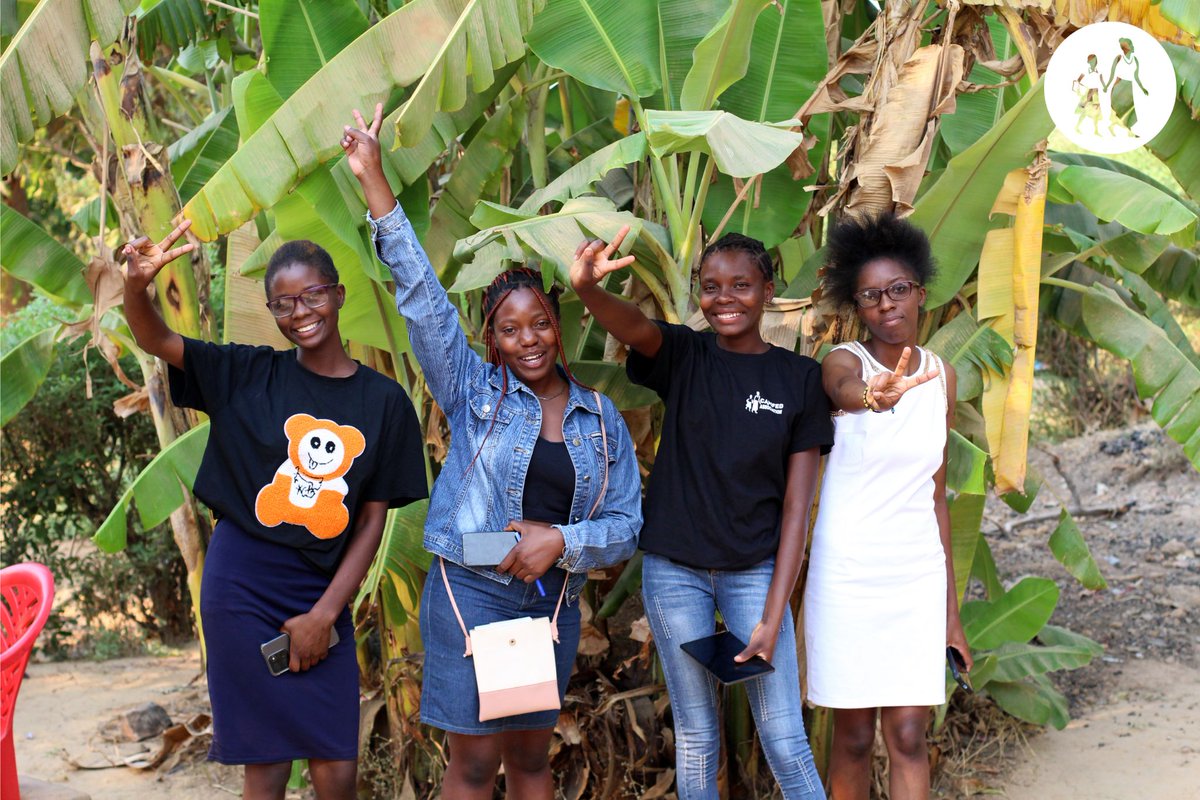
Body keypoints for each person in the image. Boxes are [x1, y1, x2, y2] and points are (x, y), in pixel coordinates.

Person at [341, 105, 642, 800]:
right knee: (474, 766)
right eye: (511, 330)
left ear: (557, 327)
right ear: (493, 340)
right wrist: (374, 179)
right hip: (470, 589)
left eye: (540, 322)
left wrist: (559, 540)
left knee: (534, 763)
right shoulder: (474, 392)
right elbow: (420, 295)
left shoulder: (601, 419)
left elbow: (627, 526)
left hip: (551, 598)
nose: (530, 338)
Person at [122, 225, 428, 800]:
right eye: (283, 303)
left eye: (313, 295)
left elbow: (371, 521)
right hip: (241, 588)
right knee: (264, 766)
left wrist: (324, 615)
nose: (300, 313)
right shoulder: (246, 373)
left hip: (322, 590)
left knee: (336, 766)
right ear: (271, 311)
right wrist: (135, 286)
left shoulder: (383, 402)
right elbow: (156, 337)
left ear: (338, 295)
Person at [570, 228, 831, 799]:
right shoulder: (685, 355)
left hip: (756, 574)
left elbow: (796, 509)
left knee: (786, 737)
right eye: (711, 287)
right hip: (676, 573)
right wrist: (588, 289)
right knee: (696, 734)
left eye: (741, 284)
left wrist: (772, 613)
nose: (725, 298)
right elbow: (633, 327)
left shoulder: (799, 379)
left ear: (767, 290)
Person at [804, 213, 972, 800]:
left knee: (906, 734)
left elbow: (937, 496)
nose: (886, 305)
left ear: (920, 293)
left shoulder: (943, 377)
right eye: (871, 296)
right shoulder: (844, 362)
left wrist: (951, 615)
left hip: (915, 573)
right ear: (858, 305)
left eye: (897, 290)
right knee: (851, 735)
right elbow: (844, 392)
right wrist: (874, 395)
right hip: (848, 573)